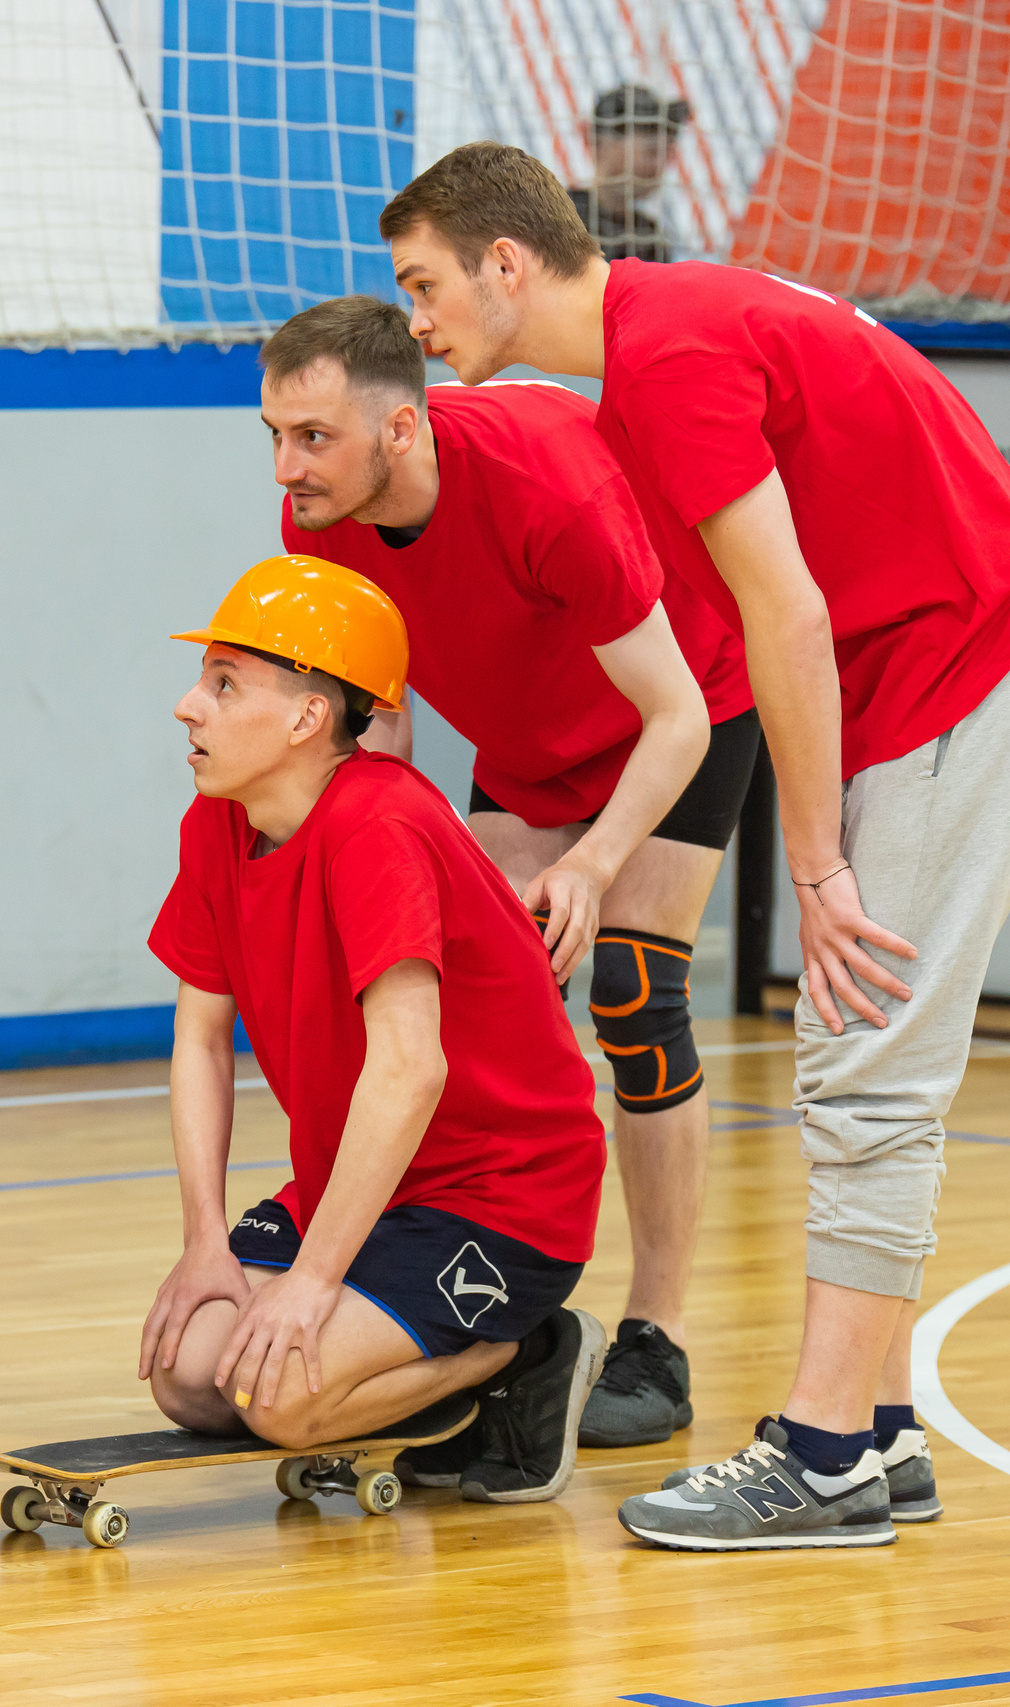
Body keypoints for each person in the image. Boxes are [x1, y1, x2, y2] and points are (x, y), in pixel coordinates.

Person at [376, 143, 1010, 1550]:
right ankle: (881, 1434)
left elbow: (790, 617)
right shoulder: (667, 333)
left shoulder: (669, 361)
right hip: (969, 673)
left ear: (506, 265)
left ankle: (821, 1448)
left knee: (868, 1065)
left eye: (425, 284)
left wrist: (820, 865)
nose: (415, 319)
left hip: (973, 672)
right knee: (869, 1060)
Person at [256, 294, 760, 1451]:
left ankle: (657, 1335)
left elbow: (675, 711)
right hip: (525, 738)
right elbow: (374, 736)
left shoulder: (545, 490)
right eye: (274, 437)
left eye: (313, 438)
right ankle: (493, 1305)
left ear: (401, 429)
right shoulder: (317, 526)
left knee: (634, 990)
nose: (288, 467)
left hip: (676, 709)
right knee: (481, 1009)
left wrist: (590, 864)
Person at [139, 555, 610, 1504]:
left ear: (311, 717)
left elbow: (410, 1070)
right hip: (362, 1184)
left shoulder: (378, 826)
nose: (189, 706)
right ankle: (395, 1338)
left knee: (278, 1400)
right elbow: (197, 1041)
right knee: (191, 1375)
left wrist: (311, 1282)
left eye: (224, 684)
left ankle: (525, 1349)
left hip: (499, 1195)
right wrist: (205, 1245)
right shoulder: (216, 821)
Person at [571, 85, 689, 264]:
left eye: (665, 153)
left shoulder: (649, 239)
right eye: (651, 151)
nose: (657, 166)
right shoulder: (559, 217)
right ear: (597, 142)